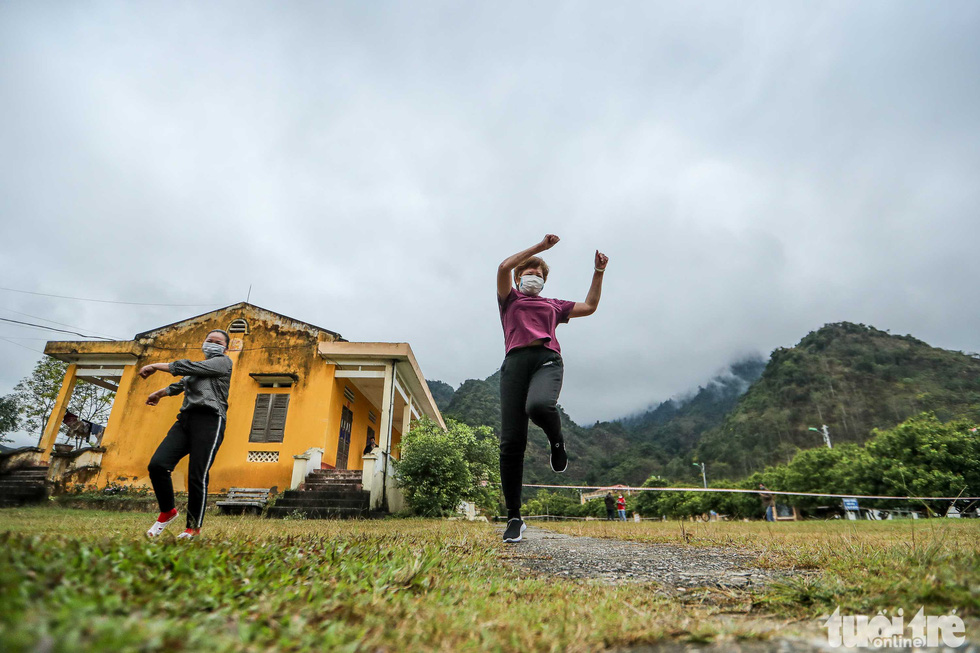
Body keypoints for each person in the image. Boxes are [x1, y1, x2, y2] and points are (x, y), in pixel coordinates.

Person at [497, 234, 608, 543]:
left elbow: (590, 306)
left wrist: (598, 272)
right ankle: (514, 517)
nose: (534, 277)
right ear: (519, 278)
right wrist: (540, 249)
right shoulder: (510, 300)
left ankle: (556, 442)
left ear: (545, 282)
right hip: (514, 365)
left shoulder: (554, 306)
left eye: (539, 275)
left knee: (539, 406)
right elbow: (504, 266)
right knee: (511, 443)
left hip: (547, 359)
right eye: (529, 273)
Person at [142, 329, 233, 539]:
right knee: (158, 465)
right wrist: (159, 394)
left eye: (217, 342)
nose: (212, 344)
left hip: (210, 420)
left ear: (225, 348)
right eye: (209, 340)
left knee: (197, 474)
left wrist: (155, 365)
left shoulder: (223, 363)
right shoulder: (198, 369)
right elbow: (181, 383)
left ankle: (193, 527)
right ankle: (167, 511)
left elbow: (187, 367)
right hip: (185, 420)